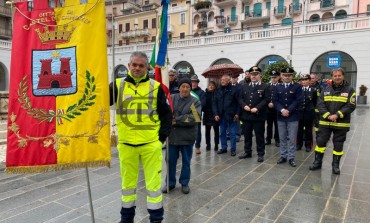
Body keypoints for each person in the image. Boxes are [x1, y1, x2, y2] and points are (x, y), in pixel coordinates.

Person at [109, 51, 172, 223]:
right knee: (127, 186)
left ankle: (156, 219)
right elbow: (98, 104)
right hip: (126, 144)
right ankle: (126, 219)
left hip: (151, 144)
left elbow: (167, 115)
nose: (137, 68)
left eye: (141, 65)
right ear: (128, 66)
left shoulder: (156, 86)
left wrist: (160, 139)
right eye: (134, 65)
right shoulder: (116, 85)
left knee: (153, 187)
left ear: (147, 68)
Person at [309, 68, 356, 175]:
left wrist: (337, 115)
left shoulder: (350, 90)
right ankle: (317, 162)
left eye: (339, 75)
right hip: (325, 122)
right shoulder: (325, 89)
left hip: (341, 123)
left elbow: (351, 105)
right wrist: (328, 115)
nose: (337, 77)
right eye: (335, 76)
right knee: (320, 142)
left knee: (338, 145)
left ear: (343, 76)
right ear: (332, 77)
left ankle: (335, 165)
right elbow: (320, 104)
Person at [163, 78, 202, 194]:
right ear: (179, 88)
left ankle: (184, 183)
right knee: (170, 161)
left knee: (186, 161)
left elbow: (195, 118)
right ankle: (170, 183)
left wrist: (177, 120)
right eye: (183, 86)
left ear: (190, 89)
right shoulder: (171, 98)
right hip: (173, 137)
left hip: (187, 137)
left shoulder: (195, 102)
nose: (185, 89)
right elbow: (165, 112)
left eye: (187, 87)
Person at [238, 66, 270, 162]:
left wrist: (257, 107)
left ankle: (260, 154)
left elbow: (267, 99)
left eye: (256, 74)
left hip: (258, 115)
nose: (253, 76)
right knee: (247, 135)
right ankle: (247, 152)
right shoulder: (244, 86)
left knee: (259, 136)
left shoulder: (265, 86)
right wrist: (244, 106)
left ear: (260, 75)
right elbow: (240, 98)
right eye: (252, 74)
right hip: (246, 115)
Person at [272, 67, 303, 167]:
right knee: (282, 137)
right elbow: (275, 100)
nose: (287, 77)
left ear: (292, 76)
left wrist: (288, 110)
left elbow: (298, 101)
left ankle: (291, 157)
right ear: (281, 76)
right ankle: (283, 156)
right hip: (281, 116)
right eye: (285, 75)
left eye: (289, 75)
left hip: (293, 116)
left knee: (292, 138)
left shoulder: (297, 87)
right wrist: (282, 110)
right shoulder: (277, 87)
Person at [213, 74, 240, 156]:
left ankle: (233, 149)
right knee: (222, 133)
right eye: (221, 80)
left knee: (232, 133)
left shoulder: (234, 90)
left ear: (229, 81)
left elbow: (239, 103)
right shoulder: (218, 90)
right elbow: (214, 103)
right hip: (221, 115)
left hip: (232, 115)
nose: (222, 81)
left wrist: (237, 113)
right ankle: (224, 148)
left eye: (224, 80)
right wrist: (216, 114)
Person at [296, 74, 317, 152]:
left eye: (306, 80)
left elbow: (315, 102)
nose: (304, 81)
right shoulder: (298, 90)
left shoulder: (313, 90)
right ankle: (299, 144)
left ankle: (308, 145)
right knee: (299, 129)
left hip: (309, 113)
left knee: (308, 130)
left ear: (309, 80)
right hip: (300, 113)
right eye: (302, 80)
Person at [190, 74, 206, 154]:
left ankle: (197, 146)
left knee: (197, 131)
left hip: (196, 114)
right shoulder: (187, 91)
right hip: (187, 113)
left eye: (195, 82)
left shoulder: (201, 93)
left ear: (197, 83)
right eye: (192, 82)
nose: (194, 83)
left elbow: (202, 104)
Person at [203, 81, 220, 151]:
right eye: (209, 85)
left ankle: (216, 144)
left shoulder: (217, 94)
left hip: (215, 114)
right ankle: (208, 144)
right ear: (207, 86)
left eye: (213, 85)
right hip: (207, 114)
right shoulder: (205, 94)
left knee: (216, 131)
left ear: (215, 87)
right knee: (207, 131)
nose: (211, 86)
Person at [265, 70, 280, 147]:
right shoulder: (267, 86)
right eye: (272, 77)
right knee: (269, 125)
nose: (273, 79)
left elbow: (281, 98)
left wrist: (274, 103)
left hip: (277, 109)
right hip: (269, 109)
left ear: (278, 77)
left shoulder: (280, 86)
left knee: (277, 125)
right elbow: (265, 97)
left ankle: (277, 140)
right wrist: (268, 103)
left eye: (275, 77)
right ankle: (268, 139)